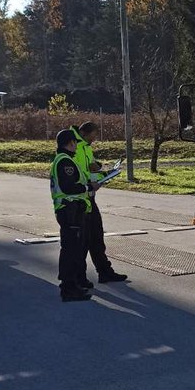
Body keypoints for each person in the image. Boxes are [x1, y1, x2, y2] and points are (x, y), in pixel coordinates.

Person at [70, 121, 128, 285]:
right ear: (83, 133)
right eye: (93, 136)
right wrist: (93, 179)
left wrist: (100, 171)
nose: (94, 140)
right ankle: (79, 278)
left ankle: (104, 272)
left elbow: (89, 167)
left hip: (89, 195)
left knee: (96, 236)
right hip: (79, 199)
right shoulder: (73, 145)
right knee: (82, 241)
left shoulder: (85, 146)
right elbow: (79, 173)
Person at [50, 128, 92, 302]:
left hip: (71, 210)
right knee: (70, 250)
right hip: (69, 210)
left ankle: (72, 284)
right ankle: (68, 288)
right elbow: (68, 187)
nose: (76, 145)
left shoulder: (63, 159)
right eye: (75, 142)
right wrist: (88, 188)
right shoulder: (65, 162)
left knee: (72, 249)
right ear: (71, 142)